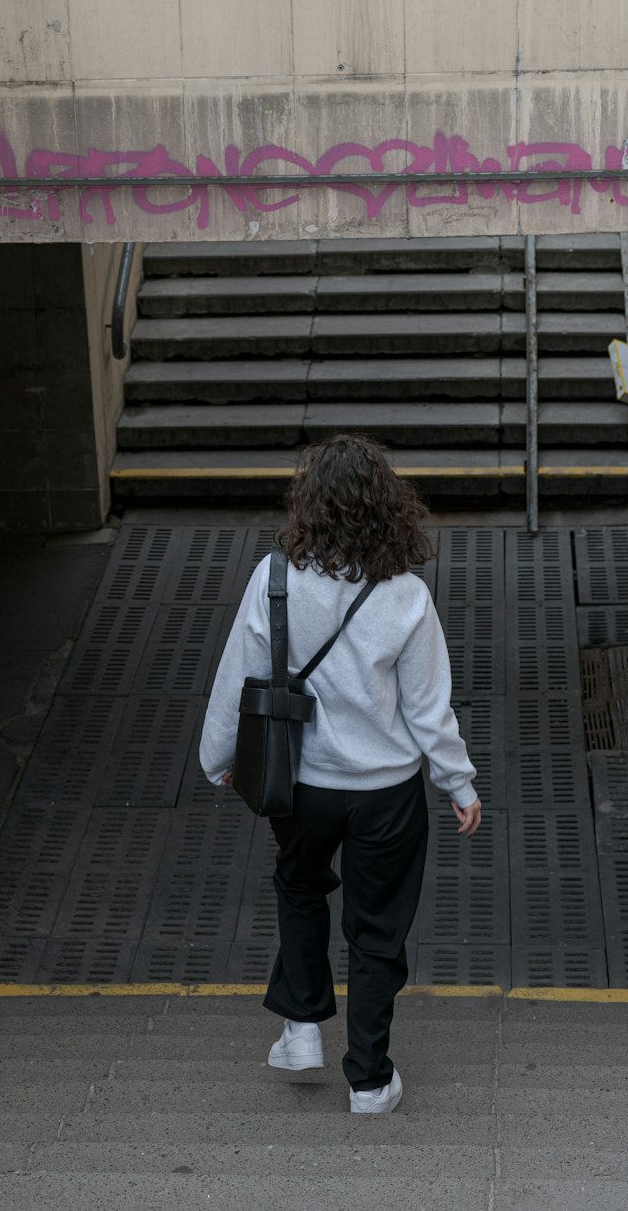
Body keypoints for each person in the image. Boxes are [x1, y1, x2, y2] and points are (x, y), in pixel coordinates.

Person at [199, 433, 482, 1115]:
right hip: (387, 793)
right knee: (377, 930)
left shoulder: (273, 580)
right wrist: (458, 782)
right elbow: (427, 707)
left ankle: (300, 1029)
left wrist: (219, 759)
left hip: (301, 783)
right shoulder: (407, 598)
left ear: (311, 507)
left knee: (299, 888)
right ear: (390, 510)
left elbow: (238, 680)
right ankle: (369, 1080)